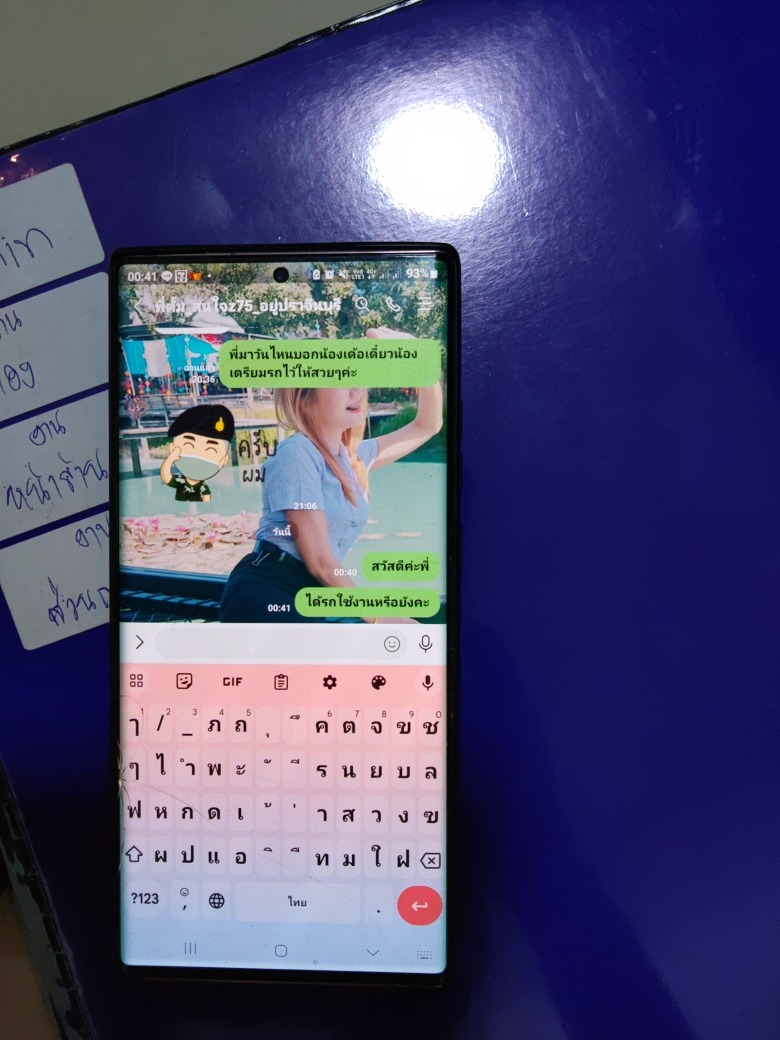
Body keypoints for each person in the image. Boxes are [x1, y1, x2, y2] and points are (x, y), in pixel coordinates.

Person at [220, 331, 443, 623]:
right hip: (270, 594)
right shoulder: (297, 453)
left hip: (314, 595)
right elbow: (320, 562)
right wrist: (378, 618)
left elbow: (428, 425)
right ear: (305, 399)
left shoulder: (351, 458)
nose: (356, 389)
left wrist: (421, 356)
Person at [160, 404, 235, 503]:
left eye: (211, 450)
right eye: (188, 445)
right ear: (172, 448)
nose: (198, 457)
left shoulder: (203, 487)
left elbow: (206, 501)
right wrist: (170, 459)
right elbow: (166, 477)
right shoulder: (180, 481)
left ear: (223, 461)